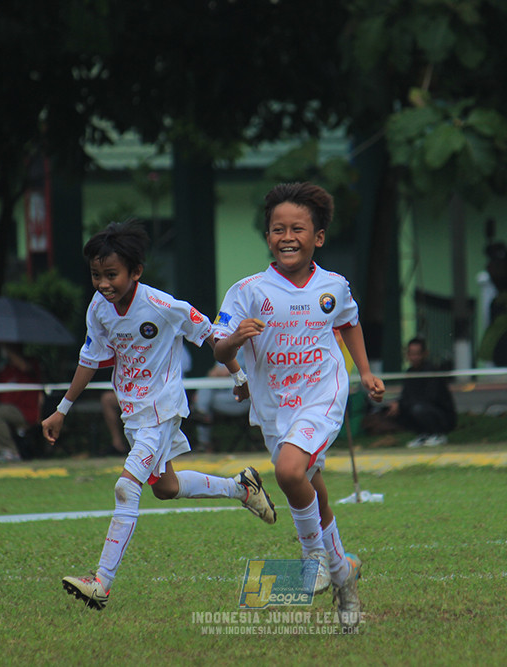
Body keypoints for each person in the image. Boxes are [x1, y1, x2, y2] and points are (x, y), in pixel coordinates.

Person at [42, 221, 277, 612]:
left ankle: (101, 582)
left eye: (111, 274)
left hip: (163, 410)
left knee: (125, 487)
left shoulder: (164, 306)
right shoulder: (98, 309)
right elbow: (90, 360)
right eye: (96, 275)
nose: (102, 283)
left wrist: (238, 375)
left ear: (136, 272)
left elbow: (210, 336)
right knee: (165, 487)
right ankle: (243, 488)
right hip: (133, 414)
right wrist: (61, 409)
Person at [212, 182, 386, 630]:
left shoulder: (334, 286)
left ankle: (317, 562)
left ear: (318, 237)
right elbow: (218, 347)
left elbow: (350, 323)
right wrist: (234, 343)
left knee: (289, 473)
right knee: (312, 488)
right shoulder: (247, 291)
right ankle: (344, 577)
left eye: (297, 228)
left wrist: (364, 373)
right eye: (277, 229)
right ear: (268, 237)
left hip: (322, 395)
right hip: (274, 407)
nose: (287, 236)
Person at [388, 337, 457, 448]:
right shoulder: (410, 372)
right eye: (411, 354)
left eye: (417, 354)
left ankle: (438, 434)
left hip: (440, 414)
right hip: (418, 406)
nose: (414, 357)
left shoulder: (431, 372)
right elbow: (406, 395)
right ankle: (423, 434)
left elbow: (431, 397)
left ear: (425, 354)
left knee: (418, 409)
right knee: (397, 410)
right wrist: (397, 404)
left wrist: (406, 402)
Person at [190, 357, 251, 452]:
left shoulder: (244, 350)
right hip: (222, 394)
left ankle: (204, 442)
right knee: (206, 388)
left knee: (204, 402)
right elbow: (213, 373)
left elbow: (224, 372)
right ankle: (201, 413)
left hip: (241, 398)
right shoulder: (225, 347)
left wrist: (219, 373)